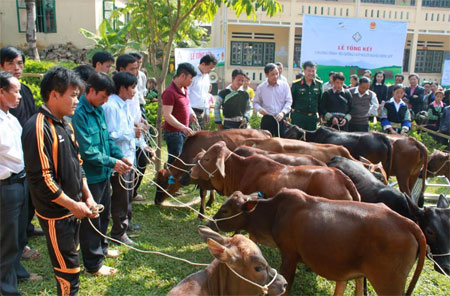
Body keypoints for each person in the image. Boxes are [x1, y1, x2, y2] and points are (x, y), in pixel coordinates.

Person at [22, 66, 98, 295]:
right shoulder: (37, 126)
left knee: (71, 261)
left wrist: (88, 196)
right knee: (67, 272)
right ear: (54, 94)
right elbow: (43, 179)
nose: (77, 101)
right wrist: (74, 206)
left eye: (78, 95)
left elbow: (78, 164)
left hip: (73, 208)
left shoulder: (65, 123)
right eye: (73, 95)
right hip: (57, 214)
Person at [72, 72, 133, 276]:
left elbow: (106, 140)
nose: (106, 101)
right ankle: (93, 264)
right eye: (103, 96)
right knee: (91, 219)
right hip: (89, 177)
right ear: (91, 91)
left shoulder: (97, 109)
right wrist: (113, 162)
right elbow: (87, 151)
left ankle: (102, 249)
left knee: (104, 214)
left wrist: (120, 157)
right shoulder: (79, 113)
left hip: (104, 173)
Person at [0, 46, 42, 260]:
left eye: (20, 63)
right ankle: (18, 248)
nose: (17, 68)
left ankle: (25, 232)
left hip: (26, 156)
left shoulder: (22, 90)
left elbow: (32, 116)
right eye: (11, 64)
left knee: (28, 203)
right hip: (10, 169)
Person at [0, 71, 31, 295]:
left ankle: (15, 274)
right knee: (6, 239)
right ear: (1, 92)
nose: (20, 96)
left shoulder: (11, 118)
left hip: (21, 181)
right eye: (15, 91)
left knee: (19, 234)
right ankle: (6, 288)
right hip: (6, 185)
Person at [102, 72, 140, 246]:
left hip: (128, 157)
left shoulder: (124, 104)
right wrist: (132, 132)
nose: (134, 91)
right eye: (132, 87)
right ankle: (118, 231)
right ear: (123, 88)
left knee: (127, 195)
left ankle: (123, 226)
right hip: (118, 160)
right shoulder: (111, 106)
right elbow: (110, 136)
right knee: (120, 196)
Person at [116, 54, 153, 203]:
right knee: (126, 171)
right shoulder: (116, 95)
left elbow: (135, 107)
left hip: (137, 132)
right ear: (121, 69)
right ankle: (123, 201)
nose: (136, 72)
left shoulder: (134, 84)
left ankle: (132, 193)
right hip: (127, 135)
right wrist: (133, 127)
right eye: (132, 69)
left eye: (137, 68)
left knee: (141, 161)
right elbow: (118, 122)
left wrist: (140, 120)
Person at [162, 63, 196, 164]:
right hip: (174, 133)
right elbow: (167, 115)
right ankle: (169, 179)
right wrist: (183, 128)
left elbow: (187, 105)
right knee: (175, 162)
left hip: (183, 131)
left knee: (183, 159)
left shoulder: (184, 89)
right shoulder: (169, 92)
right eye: (191, 78)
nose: (192, 81)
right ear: (182, 76)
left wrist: (191, 113)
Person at [254, 63, 292, 137]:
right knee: (265, 143)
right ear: (266, 75)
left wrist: (283, 113)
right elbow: (255, 103)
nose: (275, 76)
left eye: (277, 74)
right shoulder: (261, 88)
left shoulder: (284, 86)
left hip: (281, 118)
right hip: (267, 118)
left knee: (282, 143)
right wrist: (260, 109)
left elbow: (289, 101)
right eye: (272, 74)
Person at [290, 61, 322, 131]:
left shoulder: (318, 84)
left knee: (311, 140)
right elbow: (291, 101)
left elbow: (320, 102)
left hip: (312, 118)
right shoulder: (296, 84)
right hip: (299, 117)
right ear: (304, 71)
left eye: (313, 71)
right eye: (309, 71)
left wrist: (320, 116)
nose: (311, 73)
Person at [188, 54, 218, 130]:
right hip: (192, 111)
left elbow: (205, 95)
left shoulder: (206, 76)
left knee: (200, 138)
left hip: (202, 111)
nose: (210, 71)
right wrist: (190, 112)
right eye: (210, 68)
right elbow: (186, 95)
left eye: (212, 69)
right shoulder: (192, 74)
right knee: (192, 138)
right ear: (203, 64)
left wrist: (207, 112)